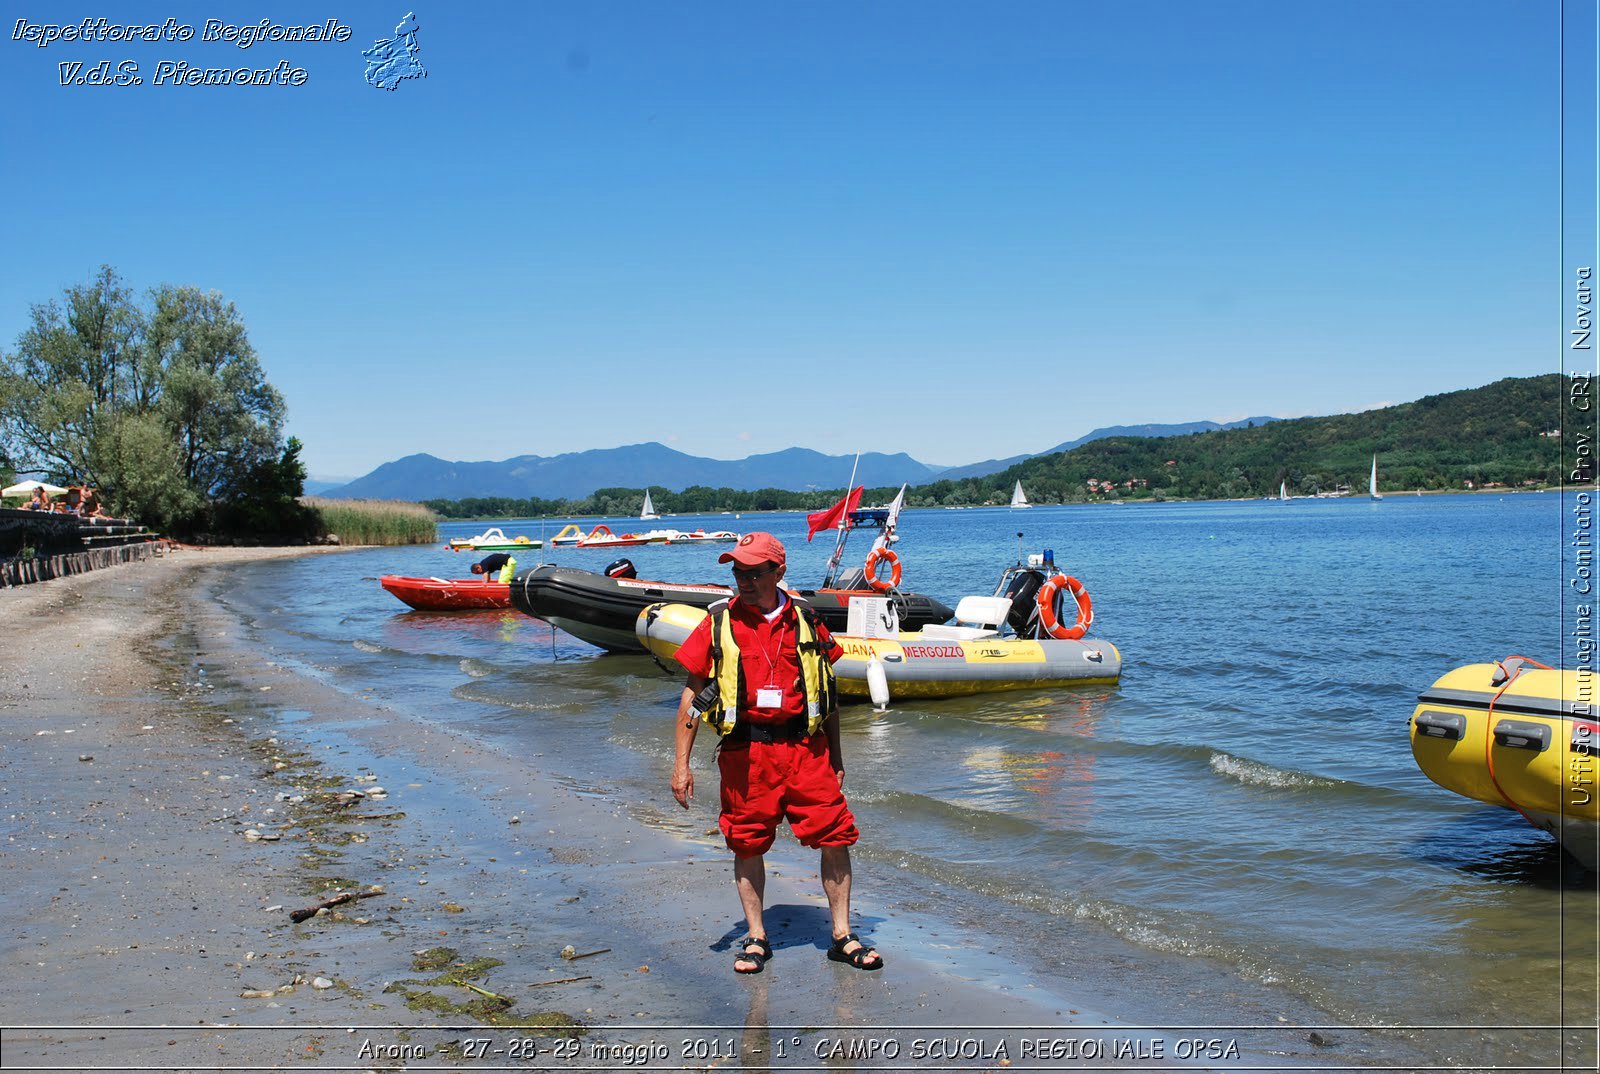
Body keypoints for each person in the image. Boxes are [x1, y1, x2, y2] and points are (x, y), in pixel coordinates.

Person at [670, 531, 884, 975]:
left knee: (836, 835)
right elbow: (692, 697)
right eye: (737, 571)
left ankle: (842, 935)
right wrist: (681, 765)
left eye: (753, 572)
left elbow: (829, 696)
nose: (743, 580)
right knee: (746, 841)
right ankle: (755, 937)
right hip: (746, 755)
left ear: (778, 572)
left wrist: (838, 758)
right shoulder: (717, 622)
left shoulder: (807, 620)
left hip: (808, 751)